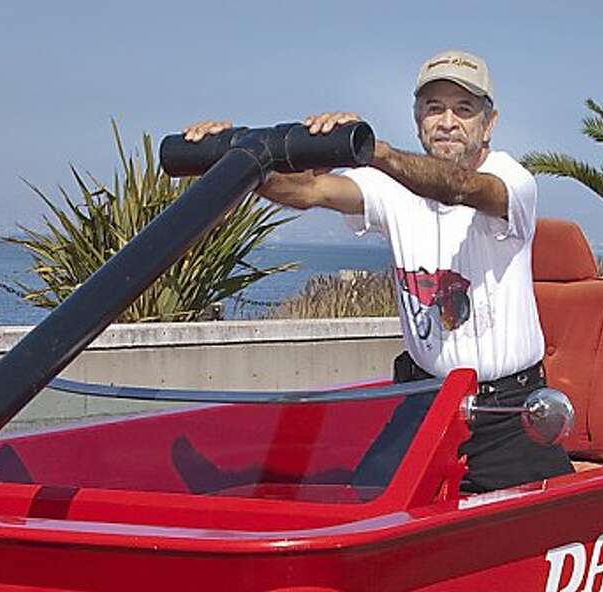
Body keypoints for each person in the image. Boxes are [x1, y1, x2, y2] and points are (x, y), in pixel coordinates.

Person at [183, 49, 571, 494]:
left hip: (506, 410)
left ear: (489, 122)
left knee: (537, 532)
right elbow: (307, 189)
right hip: (425, 401)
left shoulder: (512, 180)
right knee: (367, 510)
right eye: (434, 108)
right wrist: (228, 156)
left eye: (463, 110)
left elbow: (460, 188)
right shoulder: (393, 188)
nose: (447, 121)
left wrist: (374, 152)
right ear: (417, 117)